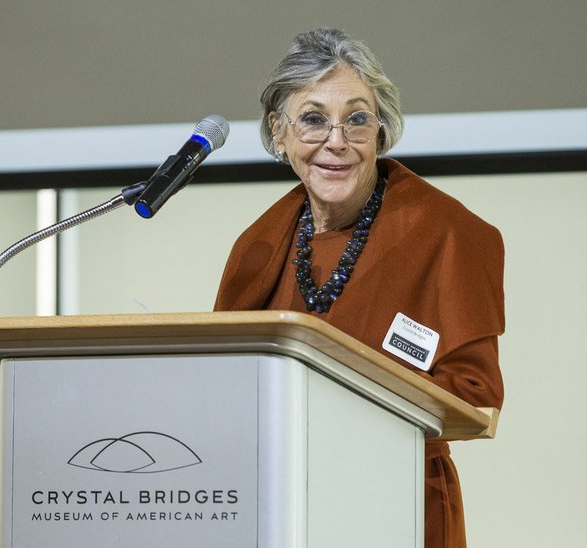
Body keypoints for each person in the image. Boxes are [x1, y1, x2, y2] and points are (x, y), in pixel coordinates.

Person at [214, 27, 505, 548]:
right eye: (313, 120)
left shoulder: (449, 234)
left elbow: (478, 403)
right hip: (281, 504)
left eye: (357, 119)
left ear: (381, 132)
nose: (336, 141)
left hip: (398, 499)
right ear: (279, 133)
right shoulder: (255, 248)